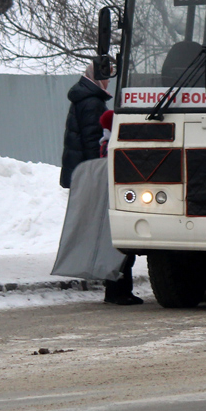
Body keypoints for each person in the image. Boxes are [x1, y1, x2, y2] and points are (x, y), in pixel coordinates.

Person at [59, 63, 141, 306]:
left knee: (103, 232)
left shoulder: (83, 98)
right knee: (112, 234)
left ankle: (116, 288)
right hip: (96, 177)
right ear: (100, 79)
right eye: (106, 78)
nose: (108, 83)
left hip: (84, 175)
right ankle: (117, 289)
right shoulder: (93, 102)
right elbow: (95, 145)